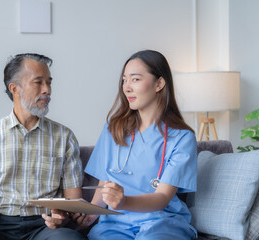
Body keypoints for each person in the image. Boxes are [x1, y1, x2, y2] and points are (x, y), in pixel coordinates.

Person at [0, 53, 85, 240]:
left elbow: (73, 198)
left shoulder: (65, 137)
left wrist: (62, 217)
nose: (47, 90)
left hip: (45, 227)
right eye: (38, 82)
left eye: (49, 82)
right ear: (15, 89)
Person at [73, 50, 197, 240]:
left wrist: (123, 202)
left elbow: (162, 198)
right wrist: (92, 213)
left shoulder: (182, 138)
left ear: (159, 83)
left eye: (135, 79)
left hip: (161, 222)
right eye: (124, 80)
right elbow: (105, 183)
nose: (127, 87)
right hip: (115, 224)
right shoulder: (113, 128)